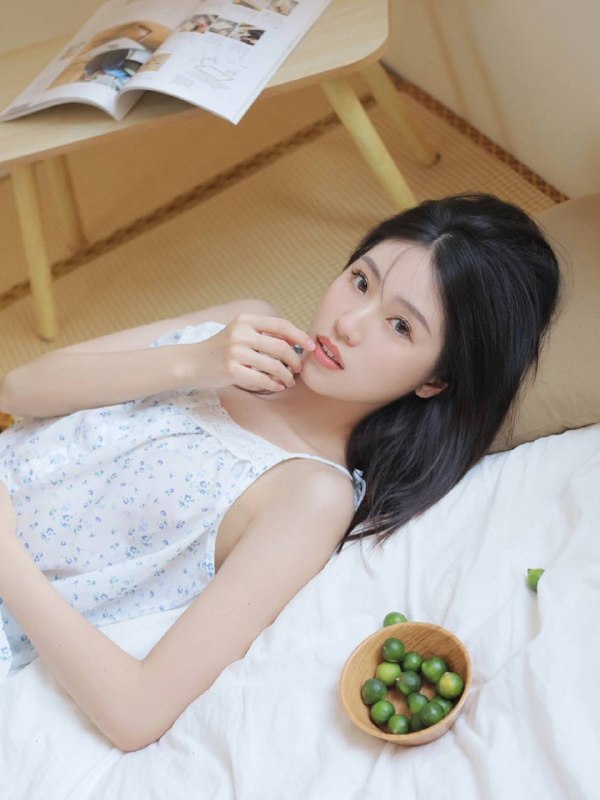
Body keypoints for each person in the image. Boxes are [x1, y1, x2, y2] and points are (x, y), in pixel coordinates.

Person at [0, 193, 560, 751]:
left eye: (399, 326)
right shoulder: (245, 327)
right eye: (361, 281)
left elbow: (136, 711)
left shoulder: (309, 495)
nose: (348, 323)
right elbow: (17, 389)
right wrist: (193, 361)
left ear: (434, 381)